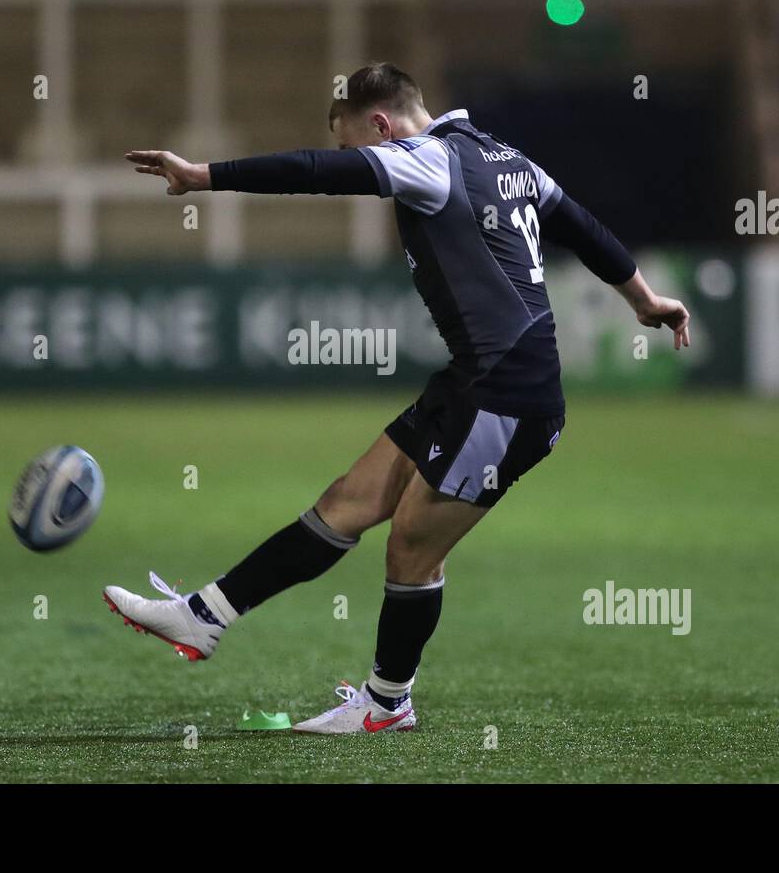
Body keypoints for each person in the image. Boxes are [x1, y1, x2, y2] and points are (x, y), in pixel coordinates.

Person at [105, 62, 690, 734]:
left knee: (413, 549)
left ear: (381, 125)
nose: (360, 163)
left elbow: (316, 173)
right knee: (346, 503)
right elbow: (584, 227)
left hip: (507, 398)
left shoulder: (425, 160)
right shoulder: (508, 159)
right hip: (473, 380)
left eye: (359, 146)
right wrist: (644, 300)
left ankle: (387, 703)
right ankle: (202, 616)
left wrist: (206, 175)